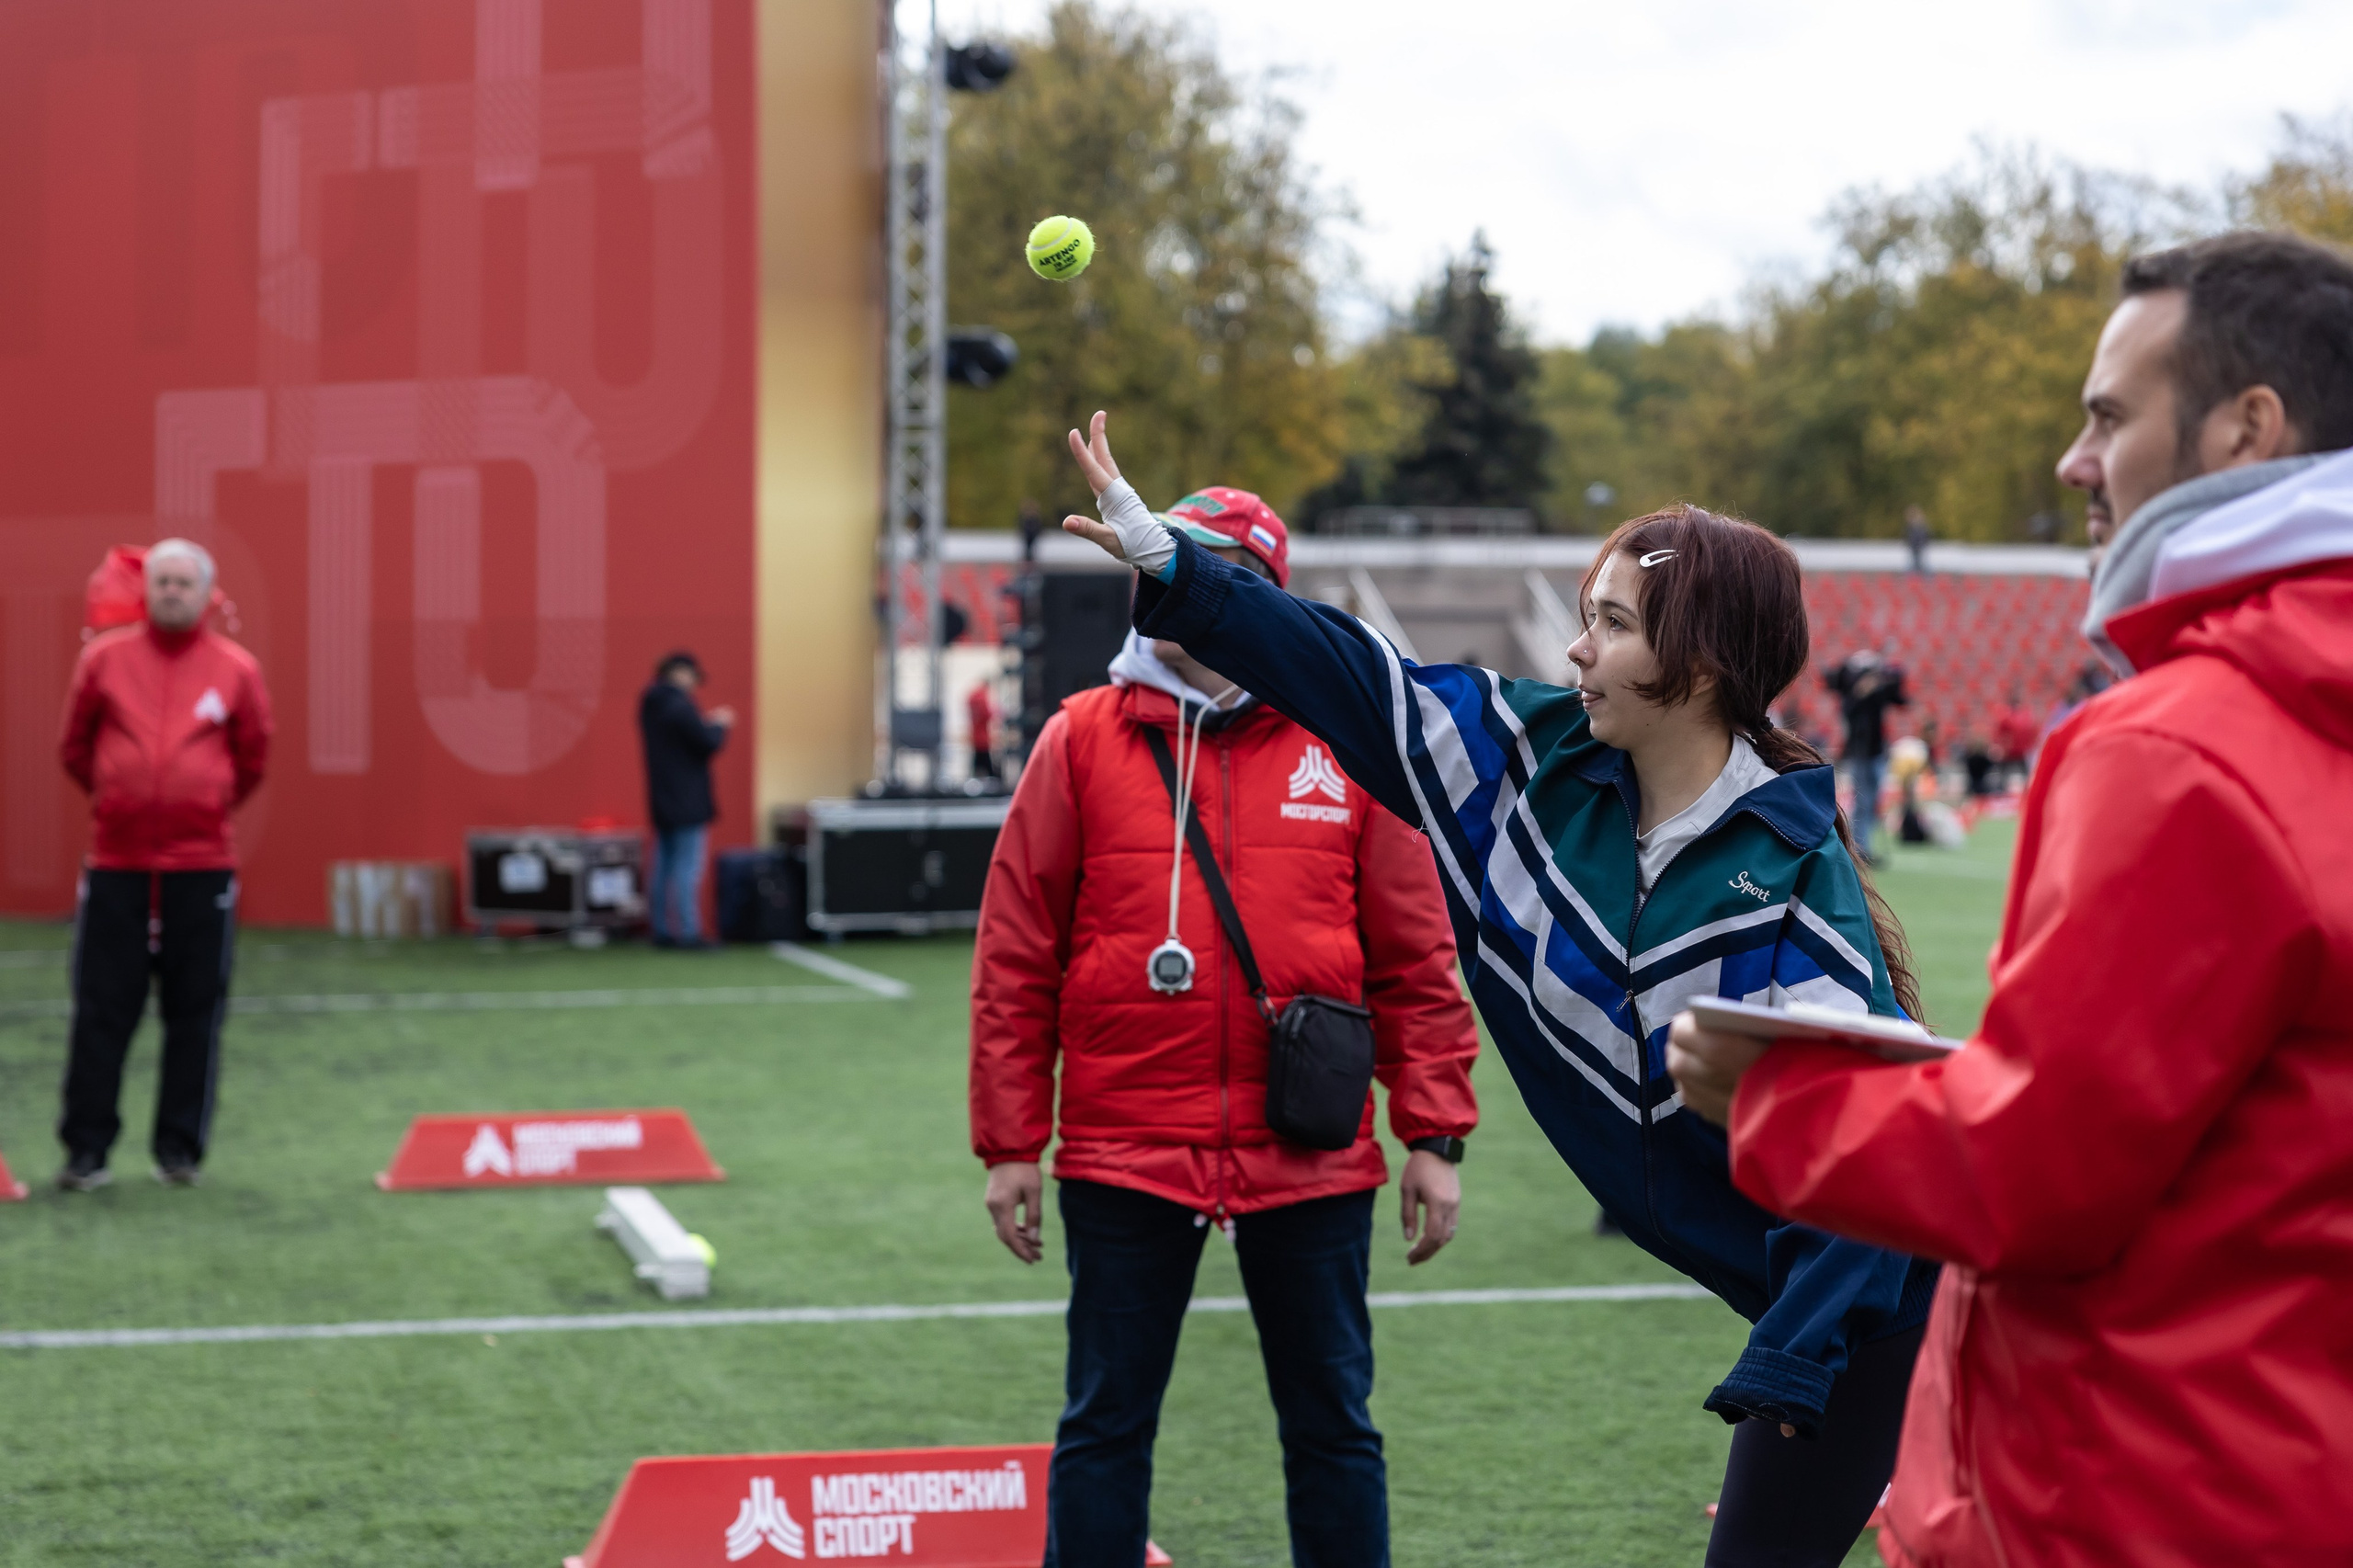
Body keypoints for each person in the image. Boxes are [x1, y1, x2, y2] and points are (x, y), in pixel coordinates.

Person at [1059, 423, 1936, 1568]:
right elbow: (1354, 674)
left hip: (1879, 1318)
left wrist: (1795, 1355)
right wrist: (1188, 579)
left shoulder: (1790, 880)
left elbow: (1874, 1161)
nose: (1576, 652)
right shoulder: (1528, 763)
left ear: (1705, 665)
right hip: (1796, 1318)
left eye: (1612, 625)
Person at [1665, 229, 2353, 1564]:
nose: (2073, 461)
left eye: (2107, 416)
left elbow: (2034, 1171)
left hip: (2143, 1489)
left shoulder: (2182, 741)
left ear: (2244, 428)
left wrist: (1774, 1099)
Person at [971, 488, 1479, 1568]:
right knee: (1103, 1427)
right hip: (1124, 1147)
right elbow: (1014, 953)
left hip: (1310, 1151)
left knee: (1334, 1429)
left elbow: (1414, 956)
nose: (1163, 587)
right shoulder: (1077, 739)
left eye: (1197, 570)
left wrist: (1433, 1133)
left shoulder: (1350, 746)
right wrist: (1011, 1140)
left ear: (1250, 597)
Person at [55, 539, 273, 1190]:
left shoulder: (236, 669)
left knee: (195, 1011)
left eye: (184, 583)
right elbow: (74, 747)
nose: (173, 592)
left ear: (208, 594)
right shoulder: (104, 661)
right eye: (162, 582)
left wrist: (199, 804)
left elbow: (254, 755)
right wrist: (120, 799)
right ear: (145, 591)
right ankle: (86, 1154)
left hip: (201, 868)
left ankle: (179, 1152)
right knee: (101, 1011)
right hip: (118, 865)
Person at [637, 652, 733, 949]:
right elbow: (706, 742)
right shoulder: (679, 706)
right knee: (686, 868)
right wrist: (719, 724)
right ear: (679, 673)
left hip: (663, 799)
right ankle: (689, 932)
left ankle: (662, 930)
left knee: (663, 866)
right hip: (686, 801)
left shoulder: (652, 705)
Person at [1824, 648, 1908, 863]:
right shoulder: (1852, 696)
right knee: (1862, 799)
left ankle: (1862, 843)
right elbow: (1848, 711)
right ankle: (1859, 846)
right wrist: (1860, 692)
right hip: (1859, 751)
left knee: (1872, 799)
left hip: (1876, 751)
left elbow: (1900, 699)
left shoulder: (1877, 694)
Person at [965, 678, 998, 782]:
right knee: (983, 757)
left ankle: (976, 776)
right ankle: (992, 778)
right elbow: (987, 714)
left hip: (976, 733)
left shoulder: (973, 695)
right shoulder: (982, 696)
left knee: (978, 757)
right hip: (982, 735)